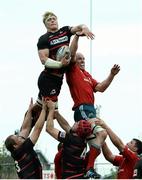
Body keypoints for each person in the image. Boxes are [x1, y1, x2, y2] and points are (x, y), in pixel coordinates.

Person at [65, 34, 120, 177]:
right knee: (102, 133)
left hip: (90, 110)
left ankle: (85, 167)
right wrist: (76, 35)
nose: (82, 60)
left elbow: (101, 87)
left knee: (97, 144)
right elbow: (72, 52)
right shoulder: (72, 70)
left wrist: (112, 75)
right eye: (79, 58)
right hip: (82, 109)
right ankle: (88, 168)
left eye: (83, 58)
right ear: (74, 61)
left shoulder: (87, 75)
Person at [36, 11, 94, 106]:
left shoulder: (65, 31)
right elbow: (43, 60)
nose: (52, 21)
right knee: (52, 111)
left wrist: (84, 28)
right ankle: (31, 114)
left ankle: (30, 114)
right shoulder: (44, 39)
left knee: (38, 108)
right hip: (48, 77)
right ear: (45, 24)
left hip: (59, 79)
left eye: (54, 18)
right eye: (49, 20)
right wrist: (60, 64)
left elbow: (78, 28)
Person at [46, 100, 94, 179]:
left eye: (77, 123)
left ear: (77, 130)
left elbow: (49, 129)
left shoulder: (70, 139)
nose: (75, 122)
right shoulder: (82, 140)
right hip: (81, 176)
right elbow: (66, 126)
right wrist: (56, 113)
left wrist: (51, 110)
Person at [5, 98, 48, 179]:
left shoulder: (17, 149)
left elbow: (25, 128)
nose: (19, 136)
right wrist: (44, 109)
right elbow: (37, 129)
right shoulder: (23, 149)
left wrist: (30, 110)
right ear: (15, 145)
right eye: (17, 137)